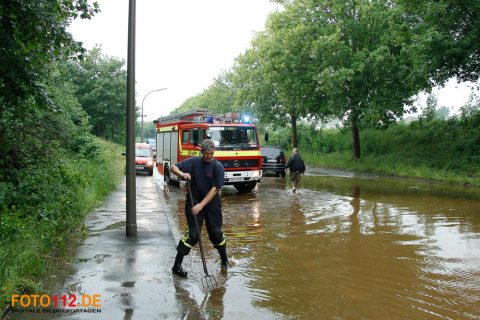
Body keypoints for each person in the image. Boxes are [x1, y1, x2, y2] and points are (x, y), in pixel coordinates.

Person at [170, 139, 229, 277]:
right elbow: (173, 167)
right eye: (207, 153)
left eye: (212, 153)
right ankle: (176, 266)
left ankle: (224, 260)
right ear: (201, 152)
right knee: (193, 235)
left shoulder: (218, 167)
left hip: (211, 204)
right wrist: (182, 174)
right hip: (193, 201)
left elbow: (215, 189)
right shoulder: (194, 162)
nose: (209, 156)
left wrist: (202, 205)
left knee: (216, 233)